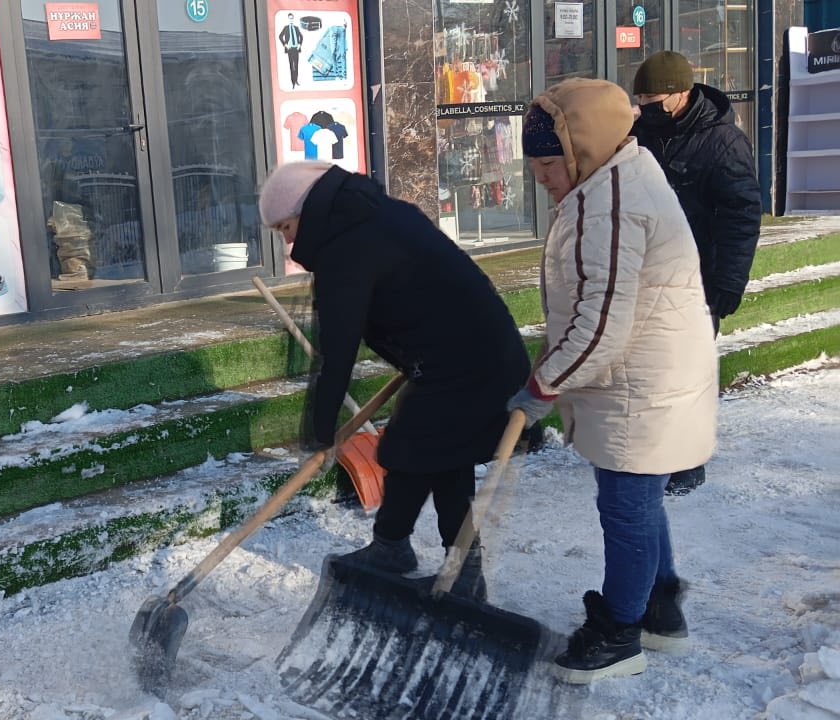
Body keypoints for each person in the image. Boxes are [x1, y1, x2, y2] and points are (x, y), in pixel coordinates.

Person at [509, 78, 717, 683]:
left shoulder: (612, 202)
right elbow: (589, 304)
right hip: (643, 374)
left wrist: (542, 387)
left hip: (640, 384)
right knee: (638, 500)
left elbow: (601, 325)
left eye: (549, 165)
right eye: (535, 167)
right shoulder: (610, 179)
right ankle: (659, 607)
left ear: (583, 150)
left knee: (626, 507)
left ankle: (621, 633)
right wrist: (549, 366)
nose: (541, 178)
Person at [258, 161, 531, 601]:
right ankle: (398, 549)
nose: (289, 244)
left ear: (307, 212)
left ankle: (447, 568)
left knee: (424, 450)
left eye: (286, 228)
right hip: (472, 351)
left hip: (467, 361)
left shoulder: (345, 249)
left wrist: (321, 433)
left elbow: (338, 351)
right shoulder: (375, 216)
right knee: (421, 449)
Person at [631, 50, 762, 497]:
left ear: (681, 94)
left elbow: (741, 215)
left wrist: (728, 282)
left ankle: (686, 462)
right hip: (647, 275)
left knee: (684, 371)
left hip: (700, 277)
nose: (645, 106)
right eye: (640, 98)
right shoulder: (639, 135)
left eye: (653, 99)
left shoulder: (723, 142)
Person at [278, 13, 304, 88]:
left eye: (292, 18)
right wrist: (285, 44)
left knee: (296, 65)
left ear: (293, 19)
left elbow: (301, 36)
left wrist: (299, 44)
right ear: (288, 19)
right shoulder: (286, 28)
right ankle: (293, 82)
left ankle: (296, 80)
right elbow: (280, 36)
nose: (291, 20)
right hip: (290, 49)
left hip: (296, 49)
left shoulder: (296, 28)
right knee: (291, 66)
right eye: (290, 18)